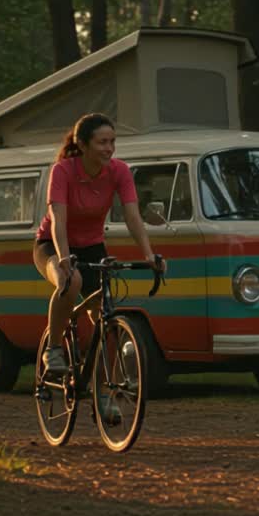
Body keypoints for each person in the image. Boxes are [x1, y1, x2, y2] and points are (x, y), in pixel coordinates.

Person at [34, 113, 165, 376]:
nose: (109, 148)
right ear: (82, 145)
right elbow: (58, 219)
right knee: (71, 281)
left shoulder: (120, 171)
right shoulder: (63, 171)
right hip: (53, 244)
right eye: (102, 142)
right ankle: (54, 348)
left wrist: (149, 255)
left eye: (112, 142)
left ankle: (103, 385)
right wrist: (64, 257)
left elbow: (132, 216)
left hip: (92, 245)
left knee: (106, 316)